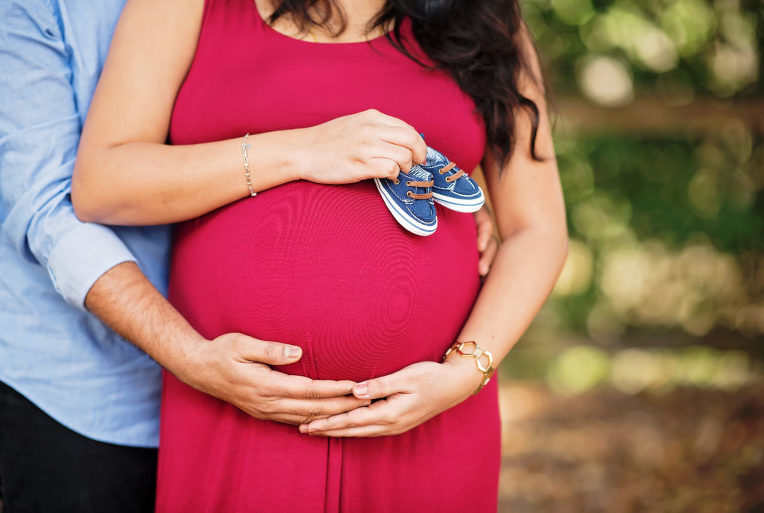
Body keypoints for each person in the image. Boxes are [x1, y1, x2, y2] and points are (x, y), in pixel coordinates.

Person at [0, 1, 499, 511]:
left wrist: (451, 208)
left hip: (415, 416)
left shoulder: (458, 20)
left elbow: (523, 208)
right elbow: (55, 208)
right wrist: (188, 356)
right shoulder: (39, 10)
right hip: (102, 390)